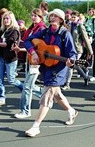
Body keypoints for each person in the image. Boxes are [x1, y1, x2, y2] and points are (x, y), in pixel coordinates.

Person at [23, 8, 78, 137]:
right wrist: (33, 52)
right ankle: (71, 111)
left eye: (56, 16)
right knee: (57, 94)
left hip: (59, 70)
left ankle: (36, 126)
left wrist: (72, 61)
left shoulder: (65, 34)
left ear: (61, 19)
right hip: (46, 66)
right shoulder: (44, 31)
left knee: (47, 96)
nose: (52, 17)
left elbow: (72, 54)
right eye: (51, 15)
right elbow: (27, 40)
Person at [14, 8, 46, 118]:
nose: (33, 17)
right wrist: (21, 49)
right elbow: (28, 45)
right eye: (32, 15)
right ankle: (45, 94)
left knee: (27, 86)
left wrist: (31, 52)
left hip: (36, 61)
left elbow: (39, 47)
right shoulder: (32, 29)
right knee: (30, 85)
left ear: (41, 17)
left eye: (35, 16)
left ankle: (25, 111)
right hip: (31, 59)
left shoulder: (42, 29)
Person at [0, 11, 23, 107]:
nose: (5, 20)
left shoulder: (14, 31)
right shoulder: (3, 30)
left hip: (10, 58)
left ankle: (25, 89)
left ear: (12, 19)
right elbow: (0, 41)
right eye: (4, 18)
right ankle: (1, 98)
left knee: (11, 79)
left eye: (7, 18)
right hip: (1, 57)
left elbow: (7, 44)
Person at [62, 10, 93, 89]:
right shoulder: (69, 25)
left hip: (78, 49)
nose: (72, 19)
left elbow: (85, 39)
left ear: (78, 17)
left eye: (74, 17)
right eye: (72, 17)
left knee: (71, 65)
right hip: (69, 48)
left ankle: (67, 84)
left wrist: (90, 51)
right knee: (75, 65)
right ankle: (85, 76)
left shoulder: (80, 26)